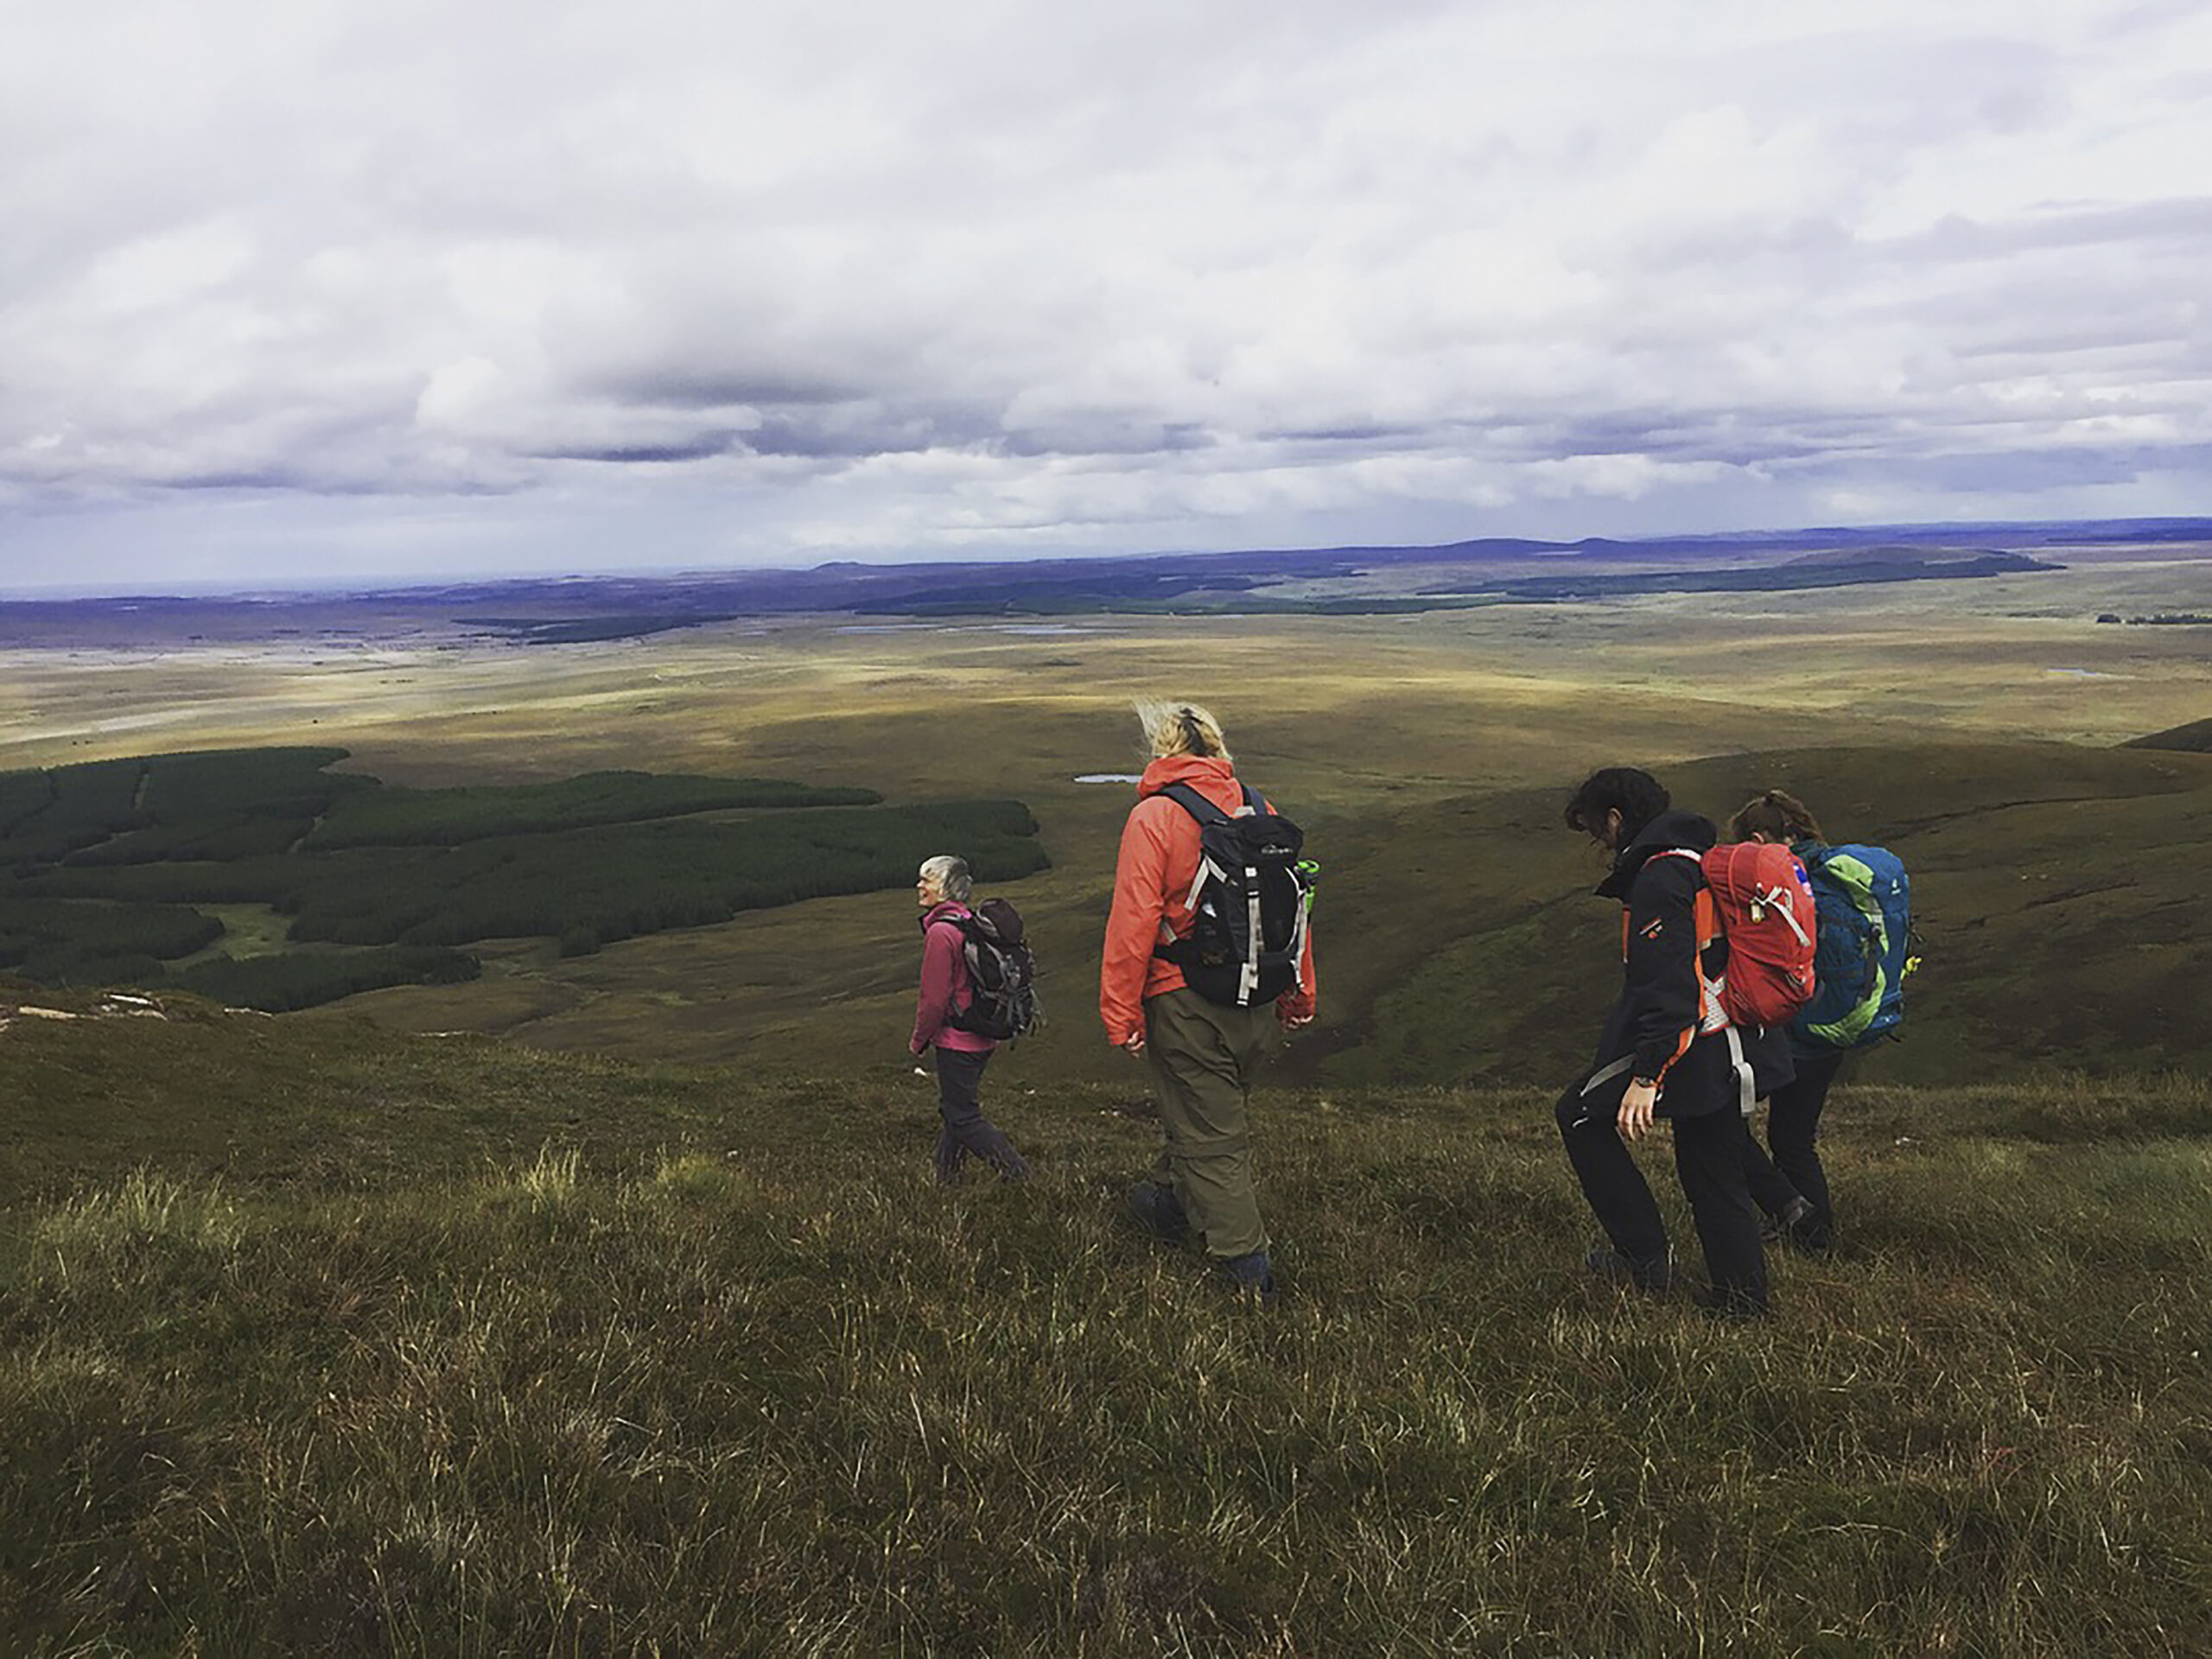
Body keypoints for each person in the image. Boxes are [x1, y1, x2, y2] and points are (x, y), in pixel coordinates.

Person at [1555, 766, 1794, 1318]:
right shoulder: (1700, 860)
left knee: (1580, 1115)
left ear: (1616, 819)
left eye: (1597, 830)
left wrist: (1647, 1076)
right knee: (1713, 1172)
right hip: (1735, 1039)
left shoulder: (1659, 879)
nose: (1601, 845)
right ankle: (1742, 1302)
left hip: (1700, 1045)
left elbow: (1671, 988)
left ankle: (1645, 1260)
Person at [1100, 701, 1316, 1306]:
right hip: (1257, 1000)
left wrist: (1121, 1013)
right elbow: (1294, 909)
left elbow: (1133, 922)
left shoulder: (1154, 817)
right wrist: (1300, 992)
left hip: (1186, 1004)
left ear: (1162, 749)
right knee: (1205, 1112)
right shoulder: (1258, 807)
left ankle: (1249, 1271)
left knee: (1216, 1140)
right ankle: (1167, 1204)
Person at [1728, 790, 1847, 1252]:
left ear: (1760, 839)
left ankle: (1808, 1232)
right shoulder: (1834, 873)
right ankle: (1809, 1232)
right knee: (1794, 1138)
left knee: (1726, 1127)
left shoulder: (1782, 881)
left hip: (1794, 1028)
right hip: (1834, 1025)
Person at [911, 855, 1030, 1184]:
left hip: (957, 1040)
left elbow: (934, 999)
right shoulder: (969, 921)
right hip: (983, 1035)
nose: (919, 885)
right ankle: (947, 1179)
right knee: (955, 1110)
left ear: (946, 888)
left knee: (963, 1116)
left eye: (927, 879)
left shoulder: (941, 933)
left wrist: (919, 1039)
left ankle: (1018, 1174)